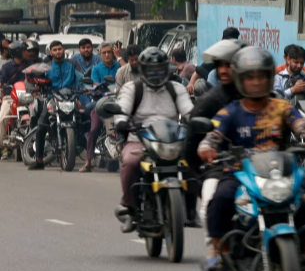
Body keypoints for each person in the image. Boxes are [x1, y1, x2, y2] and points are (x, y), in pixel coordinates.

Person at [198, 48, 305, 271]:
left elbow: (303, 126)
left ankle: (302, 257)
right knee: (219, 201)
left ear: (269, 78)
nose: (256, 82)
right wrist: (207, 147)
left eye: (261, 76)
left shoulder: (282, 107)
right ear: (240, 80)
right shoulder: (231, 111)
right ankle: (221, 255)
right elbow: (213, 135)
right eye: (250, 77)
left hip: (280, 172)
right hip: (240, 173)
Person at [114, 48, 194, 232]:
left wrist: (196, 120)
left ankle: (190, 209)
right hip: (139, 139)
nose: (156, 73)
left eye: (159, 69)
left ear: (166, 69)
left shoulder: (176, 88)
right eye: (151, 69)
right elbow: (122, 110)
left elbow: (189, 111)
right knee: (130, 162)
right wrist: (121, 121)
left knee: (192, 159)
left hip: (171, 140)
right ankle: (130, 208)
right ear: (142, 70)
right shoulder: (132, 88)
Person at [186, 39, 244, 241]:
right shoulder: (212, 101)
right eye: (220, 65)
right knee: (211, 203)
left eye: (230, 65)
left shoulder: (270, 98)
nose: (224, 70)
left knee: (302, 200)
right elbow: (192, 144)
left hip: (263, 166)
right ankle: (216, 249)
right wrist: (201, 172)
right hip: (222, 166)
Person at [29, 41, 81, 171]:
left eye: (59, 49)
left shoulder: (72, 65)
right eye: (55, 50)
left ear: (64, 50)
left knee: (85, 119)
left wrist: (89, 86)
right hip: (52, 99)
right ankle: (39, 160)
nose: (58, 52)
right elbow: (36, 80)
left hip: (70, 98)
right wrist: (38, 86)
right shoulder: (46, 67)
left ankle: (90, 156)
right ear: (50, 52)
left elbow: (82, 77)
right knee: (41, 127)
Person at [79, 42, 122, 173]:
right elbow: (95, 84)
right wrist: (97, 88)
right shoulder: (96, 69)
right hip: (101, 104)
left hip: (120, 103)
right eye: (104, 53)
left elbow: (128, 72)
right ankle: (88, 162)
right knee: (94, 129)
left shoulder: (119, 66)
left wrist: (119, 57)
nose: (107, 55)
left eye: (109, 52)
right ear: (100, 55)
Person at [186, 27, 240, 93]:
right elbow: (198, 71)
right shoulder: (214, 72)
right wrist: (191, 84)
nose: (224, 70)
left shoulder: (240, 57)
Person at [0, 42, 28, 158]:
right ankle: (2, 145)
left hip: (28, 98)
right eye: (24, 50)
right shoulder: (6, 67)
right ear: (18, 52)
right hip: (10, 98)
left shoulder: (30, 64)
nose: (27, 52)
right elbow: (1, 82)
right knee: (2, 119)